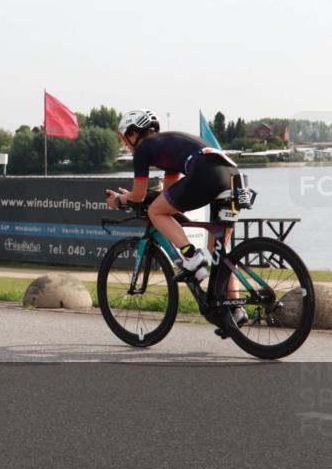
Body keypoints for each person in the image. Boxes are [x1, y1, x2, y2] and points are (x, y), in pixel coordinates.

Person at [104, 109, 246, 327]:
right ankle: (234, 308)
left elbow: (139, 196)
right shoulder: (167, 146)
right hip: (232, 176)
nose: (126, 145)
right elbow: (168, 194)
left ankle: (191, 256)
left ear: (133, 133)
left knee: (155, 212)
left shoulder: (143, 149)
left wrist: (119, 200)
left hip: (206, 174)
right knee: (219, 251)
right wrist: (146, 195)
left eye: (125, 139)